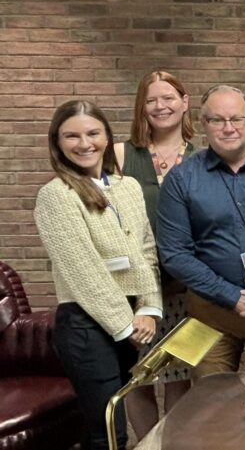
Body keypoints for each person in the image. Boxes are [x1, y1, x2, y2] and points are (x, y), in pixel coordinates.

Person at [35, 100, 162, 449]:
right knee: (106, 433)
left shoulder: (129, 187)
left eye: (93, 133)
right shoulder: (56, 195)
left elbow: (145, 252)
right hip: (86, 325)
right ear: (57, 143)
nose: (84, 143)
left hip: (130, 318)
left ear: (107, 137)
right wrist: (127, 327)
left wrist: (149, 308)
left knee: (114, 424)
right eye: (71, 136)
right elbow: (83, 272)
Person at [157, 85, 245, 377]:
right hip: (211, 311)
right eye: (217, 120)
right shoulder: (181, 179)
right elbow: (175, 253)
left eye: (236, 119)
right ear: (202, 124)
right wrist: (231, 296)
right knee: (210, 404)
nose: (228, 128)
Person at [113, 70, 197, 438]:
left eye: (168, 98)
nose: (161, 106)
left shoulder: (202, 157)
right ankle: (148, 445)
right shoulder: (118, 153)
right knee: (138, 376)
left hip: (183, 284)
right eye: (151, 100)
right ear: (141, 107)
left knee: (179, 372)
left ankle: (174, 444)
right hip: (133, 287)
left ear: (185, 103)